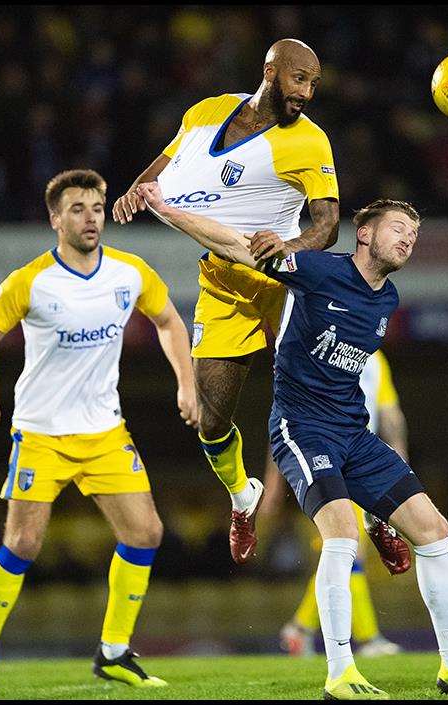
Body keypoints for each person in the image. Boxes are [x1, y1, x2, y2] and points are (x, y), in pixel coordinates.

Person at [138, 180, 448, 699]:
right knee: (341, 536)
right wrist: (166, 208)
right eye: (399, 229)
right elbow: (234, 245)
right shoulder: (318, 269)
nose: (409, 240)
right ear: (364, 233)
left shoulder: (389, 298)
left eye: (415, 234)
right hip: (301, 426)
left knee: (434, 529)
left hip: (354, 434)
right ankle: (341, 672)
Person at [0, 169, 196, 694]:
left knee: (146, 533)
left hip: (106, 432)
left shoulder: (129, 273)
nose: (90, 218)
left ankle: (113, 652)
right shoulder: (29, 281)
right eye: (77, 209)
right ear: (54, 219)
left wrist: (186, 384)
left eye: (96, 207)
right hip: (41, 433)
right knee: (23, 542)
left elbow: (169, 322)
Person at [112, 39, 340, 564]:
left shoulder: (310, 142)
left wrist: (291, 247)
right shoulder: (206, 112)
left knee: (321, 407)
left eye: (313, 84)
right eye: (298, 79)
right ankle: (243, 496)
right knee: (211, 419)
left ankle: (376, 515)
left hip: (286, 285)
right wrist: (133, 193)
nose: (306, 92)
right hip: (224, 283)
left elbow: (327, 225)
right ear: (270, 71)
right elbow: (157, 175)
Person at [268, 350, 407, 657]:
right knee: (348, 546)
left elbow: (390, 415)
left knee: (347, 551)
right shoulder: (320, 347)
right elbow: (285, 414)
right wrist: (275, 483)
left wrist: (399, 469)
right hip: (323, 456)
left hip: (361, 460)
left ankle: (300, 628)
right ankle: (367, 638)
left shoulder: (376, 359)